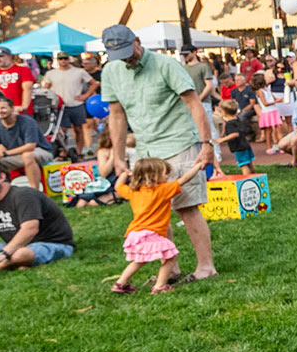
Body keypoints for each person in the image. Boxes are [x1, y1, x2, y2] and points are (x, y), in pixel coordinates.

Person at [97, 23, 219, 282]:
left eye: (128, 51)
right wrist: (118, 155)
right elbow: (116, 115)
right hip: (145, 148)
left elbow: (194, 104)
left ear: (137, 41)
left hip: (178, 141)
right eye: (118, 55)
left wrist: (206, 144)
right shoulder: (111, 71)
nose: (127, 59)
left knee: (186, 206)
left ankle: (206, 267)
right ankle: (170, 267)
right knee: (154, 209)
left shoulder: (166, 65)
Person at [111, 156, 205, 294]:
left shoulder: (133, 191)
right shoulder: (162, 190)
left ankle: (120, 284)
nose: (168, 175)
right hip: (151, 233)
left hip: (135, 233)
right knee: (170, 256)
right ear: (153, 176)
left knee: (139, 260)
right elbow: (184, 179)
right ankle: (160, 287)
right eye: (165, 173)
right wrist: (197, 166)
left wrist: (125, 173)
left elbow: (117, 186)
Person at [0, 92, 56, 180]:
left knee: (27, 156)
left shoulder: (27, 122)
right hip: (14, 154)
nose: (0, 111)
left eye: (3, 108)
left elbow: (30, 146)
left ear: (12, 109)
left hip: (40, 151)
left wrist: (4, 154)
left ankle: (35, 190)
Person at [42, 51, 94, 153]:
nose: (63, 61)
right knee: (62, 131)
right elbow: (45, 89)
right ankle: (63, 152)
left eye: (65, 59)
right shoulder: (51, 73)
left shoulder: (79, 71)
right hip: (60, 106)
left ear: (69, 59)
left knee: (79, 129)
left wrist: (86, 95)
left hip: (76, 104)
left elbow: (94, 83)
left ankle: (79, 151)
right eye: (61, 59)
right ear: (57, 61)